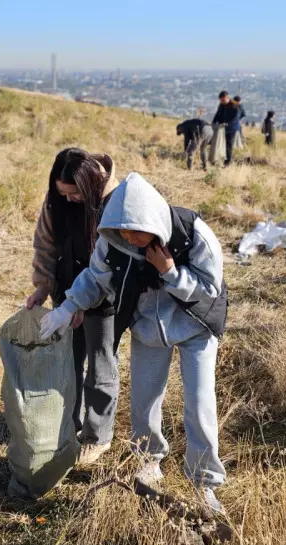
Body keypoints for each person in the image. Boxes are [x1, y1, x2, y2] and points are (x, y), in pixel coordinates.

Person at [39, 173, 229, 513]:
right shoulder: (114, 239)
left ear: (152, 221)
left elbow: (209, 291)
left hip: (195, 326)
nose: (130, 238)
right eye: (123, 231)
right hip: (148, 329)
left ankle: (204, 482)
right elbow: (96, 278)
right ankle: (149, 460)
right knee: (143, 400)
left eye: (135, 231)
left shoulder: (193, 234)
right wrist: (68, 307)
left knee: (199, 404)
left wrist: (170, 273)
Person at [26, 148, 120, 465]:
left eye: (74, 194)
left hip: (104, 294)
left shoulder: (113, 201)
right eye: (62, 194)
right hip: (66, 291)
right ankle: (68, 425)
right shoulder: (58, 201)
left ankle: (97, 436)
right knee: (67, 361)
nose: (69, 200)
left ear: (91, 184)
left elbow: (106, 264)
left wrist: (82, 301)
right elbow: (45, 242)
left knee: (99, 363)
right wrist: (43, 286)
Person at [209, 91, 243, 167]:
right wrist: (213, 123)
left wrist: (228, 124)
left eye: (223, 100)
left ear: (227, 98)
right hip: (222, 128)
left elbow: (236, 117)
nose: (222, 102)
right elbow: (217, 114)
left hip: (232, 129)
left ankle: (227, 162)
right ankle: (218, 159)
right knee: (220, 144)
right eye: (221, 100)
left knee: (228, 145)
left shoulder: (235, 105)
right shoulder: (221, 105)